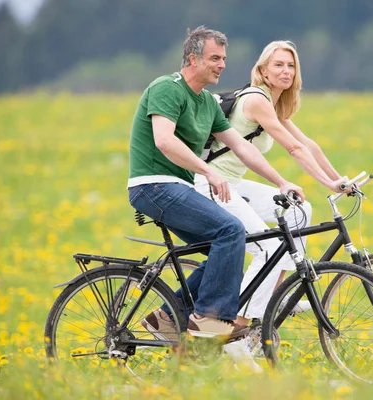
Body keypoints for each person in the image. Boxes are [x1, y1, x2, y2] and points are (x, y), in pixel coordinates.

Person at [127, 27, 304, 341]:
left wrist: (281, 181)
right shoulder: (167, 88)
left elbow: (243, 147)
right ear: (193, 59)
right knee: (231, 229)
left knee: (228, 250)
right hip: (153, 184)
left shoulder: (207, 102)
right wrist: (208, 172)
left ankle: (165, 318)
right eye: (214, 58)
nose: (222, 65)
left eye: (223, 58)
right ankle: (209, 322)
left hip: (177, 187)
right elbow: (165, 141)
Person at [194, 40, 350, 326]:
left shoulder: (274, 103)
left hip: (234, 183)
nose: (286, 71)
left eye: (291, 66)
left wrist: (338, 178)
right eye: (278, 65)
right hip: (212, 185)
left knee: (299, 210)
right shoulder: (256, 100)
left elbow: (308, 145)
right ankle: (236, 324)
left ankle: (275, 294)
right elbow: (294, 149)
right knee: (266, 250)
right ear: (263, 71)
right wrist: (328, 184)